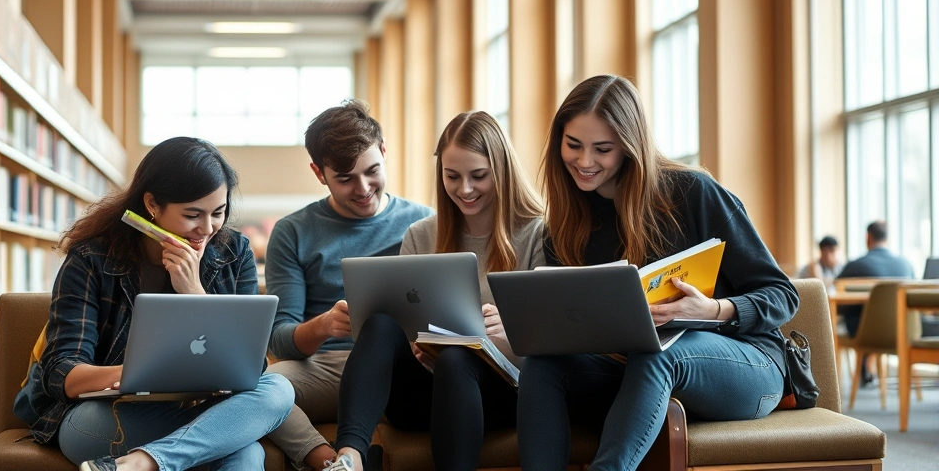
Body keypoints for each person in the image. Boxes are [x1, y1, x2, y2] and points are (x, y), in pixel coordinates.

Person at [516, 75, 799, 471]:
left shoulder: (693, 193)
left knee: (657, 353)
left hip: (750, 365)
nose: (584, 161)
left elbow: (783, 295)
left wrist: (714, 309)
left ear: (631, 147)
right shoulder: (564, 225)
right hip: (632, 368)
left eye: (603, 149)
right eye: (573, 145)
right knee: (544, 365)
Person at [21, 137, 294, 471]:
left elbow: (251, 367)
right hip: (106, 416)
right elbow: (62, 371)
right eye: (192, 214)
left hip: (205, 409)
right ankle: (170, 453)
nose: (206, 229)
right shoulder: (91, 259)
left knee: (278, 389)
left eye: (218, 213)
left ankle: (142, 463)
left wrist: (194, 292)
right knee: (241, 447)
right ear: (151, 204)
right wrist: (133, 374)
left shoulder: (234, 254)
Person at [326, 111, 545, 471]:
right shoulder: (421, 234)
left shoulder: (537, 232)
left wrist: (507, 333)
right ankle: (349, 457)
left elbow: (550, 342)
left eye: (479, 176)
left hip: (503, 394)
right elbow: (402, 323)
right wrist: (416, 345)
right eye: (452, 176)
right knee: (380, 324)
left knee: (459, 358)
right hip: (424, 393)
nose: (465, 189)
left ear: (502, 170)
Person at [264, 100, 433, 470]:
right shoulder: (293, 232)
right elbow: (279, 339)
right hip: (326, 366)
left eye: (372, 171)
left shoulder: (424, 223)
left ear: (384, 150)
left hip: (403, 367)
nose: (363, 188)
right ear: (318, 172)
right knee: (253, 386)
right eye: (345, 178)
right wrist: (324, 325)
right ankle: (327, 460)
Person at [835, 220, 914, 386]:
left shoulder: (855, 266)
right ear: (887, 238)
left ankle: (860, 369)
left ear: (868, 237)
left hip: (865, 333)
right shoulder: (906, 266)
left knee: (857, 315)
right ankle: (867, 367)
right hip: (903, 331)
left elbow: (837, 303)